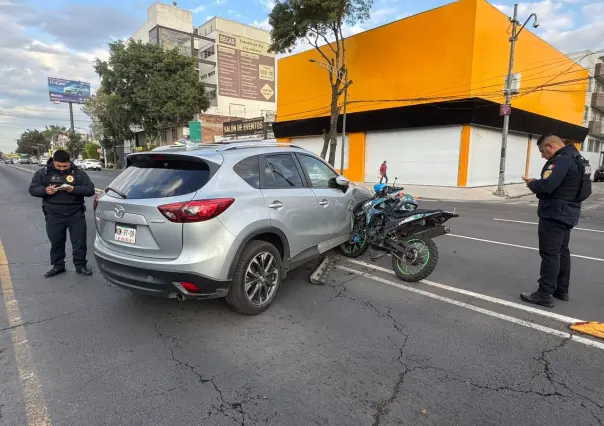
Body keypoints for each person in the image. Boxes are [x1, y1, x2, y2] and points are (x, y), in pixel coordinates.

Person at [520, 135, 591, 307]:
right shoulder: (580, 159)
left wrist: (533, 183)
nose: (543, 156)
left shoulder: (561, 160)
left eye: (542, 151)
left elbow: (547, 186)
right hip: (569, 212)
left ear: (550, 146)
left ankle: (544, 294)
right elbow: (585, 190)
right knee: (562, 251)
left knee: (550, 254)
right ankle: (561, 290)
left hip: (554, 213)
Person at [29, 150, 96, 278]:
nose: (61, 168)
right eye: (58, 166)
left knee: (79, 242)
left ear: (69, 162)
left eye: (65, 166)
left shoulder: (78, 173)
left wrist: (73, 189)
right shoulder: (43, 173)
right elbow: (32, 189)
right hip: (53, 214)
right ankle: (58, 265)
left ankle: (81, 265)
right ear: (53, 161)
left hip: (75, 213)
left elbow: (90, 190)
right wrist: (45, 190)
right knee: (56, 241)